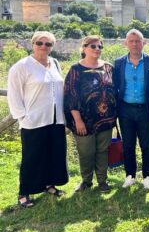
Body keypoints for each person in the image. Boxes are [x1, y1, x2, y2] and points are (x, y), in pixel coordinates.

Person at [7, 31, 68, 208]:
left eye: (48, 44)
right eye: (40, 43)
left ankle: (49, 185)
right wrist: (23, 117)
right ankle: (24, 192)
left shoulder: (54, 63)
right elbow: (14, 94)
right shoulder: (22, 66)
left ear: (52, 47)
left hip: (55, 119)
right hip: (33, 120)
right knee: (32, 157)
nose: (43, 46)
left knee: (53, 154)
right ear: (32, 44)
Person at [64, 36, 117, 193]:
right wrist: (77, 120)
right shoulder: (75, 70)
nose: (97, 49)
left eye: (100, 46)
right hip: (83, 120)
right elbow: (70, 96)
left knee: (102, 151)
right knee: (86, 152)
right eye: (93, 46)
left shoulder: (108, 67)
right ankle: (86, 181)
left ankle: (102, 181)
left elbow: (115, 90)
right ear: (84, 48)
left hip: (105, 119)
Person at [113, 29, 149, 191]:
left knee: (146, 145)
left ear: (143, 43)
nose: (134, 44)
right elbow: (115, 86)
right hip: (125, 110)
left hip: (145, 111)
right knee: (128, 145)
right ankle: (130, 176)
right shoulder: (118, 63)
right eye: (131, 41)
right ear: (126, 43)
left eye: (137, 41)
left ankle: (148, 177)